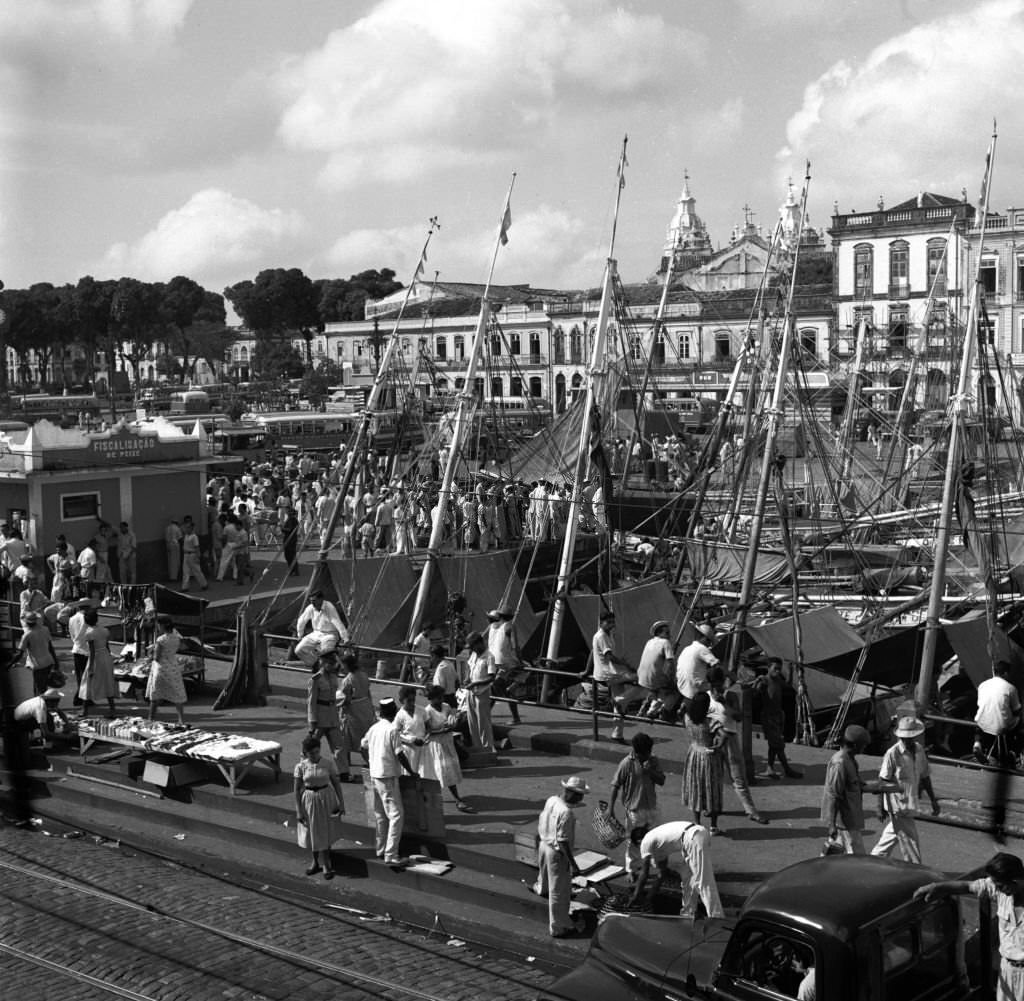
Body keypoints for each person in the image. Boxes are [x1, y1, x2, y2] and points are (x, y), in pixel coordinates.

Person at [915, 851, 1024, 1001]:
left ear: (1016, 882)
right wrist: (938, 887)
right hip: (1007, 969)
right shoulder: (1002, 891)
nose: (997, 889)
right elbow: (969, 886)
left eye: (1000, 886)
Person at [870, 715, 940, 863]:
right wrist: (879, 806)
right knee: (910, 840)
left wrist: (934, 800)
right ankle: (915, 868)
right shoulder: (892, 753)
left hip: (910, 802)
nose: (907, 740)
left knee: (892, 835)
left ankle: (873, 859)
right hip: (898, 805)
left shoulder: (919, 750)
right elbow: (883, 780)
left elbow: (925, 776)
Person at [707, 668, 768, 825]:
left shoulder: (730, 696)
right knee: (714, 777)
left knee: (738, 777)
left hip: (730, 738)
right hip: (713, 739)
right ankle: (714, 806)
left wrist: (724, 702)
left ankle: (751, 810)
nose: (717, 687)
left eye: (719, 683)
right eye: (715, 684)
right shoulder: (706, 697)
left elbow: (738, 717)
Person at [628, 820, 724, 919]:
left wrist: (636, 895)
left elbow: (644, 873)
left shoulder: (646, 841)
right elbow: (662, 874)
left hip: (693, 837)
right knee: (688, 879)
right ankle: (688, 913)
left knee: (703, 881)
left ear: (639, 841)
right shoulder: (657, 842)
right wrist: (648, 898)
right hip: (693, 837)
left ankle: (717, 918)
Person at [361, 698, 416, 866]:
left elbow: (362, 746)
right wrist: (412, 772)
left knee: (380, 815)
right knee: (396, 815)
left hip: (375, 775)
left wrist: (371, 761)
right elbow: (399, 754)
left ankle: (381, 849)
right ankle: (391, 854)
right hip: (388, 777)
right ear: (393, 713)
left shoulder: (373, 728)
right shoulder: (392, 730)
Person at [533, 775, 589, 938]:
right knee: (559, 890)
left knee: (544, 875)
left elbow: (542, 820)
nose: (580, 799)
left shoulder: (552, 800)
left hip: (544, 844)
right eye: (579, 795)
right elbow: (563, 841)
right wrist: (573, 864)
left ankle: (541, 889)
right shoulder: (567, 813)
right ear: (572, 793)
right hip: (557, 853)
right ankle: (559, 926)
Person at [606, 731, 666, 878]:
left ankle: (654, 865)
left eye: (649, 752)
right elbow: (615, 785)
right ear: (637, 752)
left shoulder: (653, 761)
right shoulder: (627, 763)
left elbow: (661, 780)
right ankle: (632, 870)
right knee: (634, 841)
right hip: (634, 810)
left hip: (652, 806)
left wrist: (650, 770)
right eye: (645, 753)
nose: (648, 755)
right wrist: (610, 808)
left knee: (656, 838)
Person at [820, 724, 882, 854]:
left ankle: (820, 872)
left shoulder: (851, 760)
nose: (864, 748)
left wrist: (877, 787)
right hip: (844, 821)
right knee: (857, 857)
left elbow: (856, 786)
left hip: (850, 818)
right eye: (863, 745)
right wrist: (831, 824)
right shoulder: (840, 763)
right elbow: (834, 795)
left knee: (834, 854)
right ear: (855, 745)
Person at [293, 734, 345, 880]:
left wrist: (341, 803)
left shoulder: (328, 764)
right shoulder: (301, 767)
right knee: (311, 831)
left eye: (317, 752)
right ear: (305, 753)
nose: (315, 755)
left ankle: (327, 863)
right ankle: (315, 862)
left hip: (326, 798)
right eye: (311, 753)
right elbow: (297, 790)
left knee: (325, 830)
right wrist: (298, 810)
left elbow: (336, 783)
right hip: (309, 800)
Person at [421, 684, 474, 813]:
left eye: (441, 697)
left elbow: (453, 717)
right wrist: (442, 729)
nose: (440, 700)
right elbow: (428, 732)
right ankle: (457, 799)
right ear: (431, 698)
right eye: (437, 698)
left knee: (448, 771)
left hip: (448, 742)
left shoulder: (446, 707)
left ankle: (451, 798)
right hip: (436, 745)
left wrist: (455, 720)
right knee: (443, 771)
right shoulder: (427, 711)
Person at [681, 691, 726, 834]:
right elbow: (724, 735)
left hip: (694, 754)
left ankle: (697, 823)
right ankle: (713, 826)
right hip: (709, 757)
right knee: (712, 790)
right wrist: (718, 745)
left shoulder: (687, 718)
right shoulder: (711, 722)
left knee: (696, 789)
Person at [754, 659, 802, 779]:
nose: (777, 671)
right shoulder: (765, 680)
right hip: (768, 717)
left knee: (774, 745)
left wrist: (790, 671)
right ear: (768, 667)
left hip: (778, 716)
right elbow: (755, 691)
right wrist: (757, 682)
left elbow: (788, 685)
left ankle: (770, 768)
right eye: (775, 668)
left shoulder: (778, 680)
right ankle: (787, 769)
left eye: (779, 669)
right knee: (778, 745)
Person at [592, 610, 633, 743]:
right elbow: (609, 657)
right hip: (608, 674)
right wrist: (625, 664)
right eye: (608, 622)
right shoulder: (602, 636)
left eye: (612, 622)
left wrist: (587, 671)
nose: (611, 624)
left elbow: (592, 652)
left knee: (619, 701)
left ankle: (618, 732)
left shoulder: (606, 635)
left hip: (606, 672)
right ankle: (620, 701)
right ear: (601, 623)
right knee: (639, 679)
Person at [974, 661, 1022, 763]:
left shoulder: (982, 685)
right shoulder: (1011, 688)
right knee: (1018, 720)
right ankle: (1013, 751)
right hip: (1000, 727)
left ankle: (977, 743)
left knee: (984, 716)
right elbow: (1017, 710)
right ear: (1005, 673)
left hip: (981, 723)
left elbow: (980, 704)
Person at [307, 655, 346, 777]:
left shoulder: (334, 676)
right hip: (320, 717)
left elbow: (342, 666)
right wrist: (312, 720)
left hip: (332, 716)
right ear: (322, 663)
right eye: (329, 663)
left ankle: (343, 772)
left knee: (339, 746)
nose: (332, 665)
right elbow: (311, 702)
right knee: (311, 745)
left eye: (333, 663)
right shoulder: (315, 679)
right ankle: (305, 768)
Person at [336, 652, 373, 781]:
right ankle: (370, 761)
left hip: (354, 710)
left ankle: (348, 764)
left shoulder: (347, 680)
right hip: (366, 706)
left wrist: (338, 705)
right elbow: (368, 693)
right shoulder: (364, 675)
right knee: (366, 736)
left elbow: (346, 699)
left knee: (345, 736)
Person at [145, 613, 187, 725]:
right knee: (177, 694)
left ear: (162, 626)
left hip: (161, 668)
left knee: (155, 695)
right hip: (173, 666)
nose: (158, 627)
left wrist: (151, 652)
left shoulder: (160, 639)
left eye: (158, 625)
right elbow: (183, 647)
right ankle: (181, 720)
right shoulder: (176, 637)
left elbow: (157, 657)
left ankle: (150, 718)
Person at [637, 619, 679, 722]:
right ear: (660, 633)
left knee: (659, 690)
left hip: (642, 678)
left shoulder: (649, 641)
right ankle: (661, 710)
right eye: (667, 633)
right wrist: (672, 679)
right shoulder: (666, 642)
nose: (669, 635)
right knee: (674, 692)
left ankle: (650, 709)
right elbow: (670, 663)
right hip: (654, 678)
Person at [487, 605, 523, 725]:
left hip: (496, 663)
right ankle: (515, 685)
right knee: (500, 689)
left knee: (495, 688)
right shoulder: (510, 626)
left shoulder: (495, 627)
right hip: (506, 664)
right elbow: (515, 647)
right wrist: (521, 661)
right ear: (511, 617)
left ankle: (486, 715)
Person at [78, 607, 117, 719]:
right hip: (106, 657)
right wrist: (110, 658)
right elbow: (107, 647)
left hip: (96, 659)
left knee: (87, 683)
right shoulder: (104, 630)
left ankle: (84, 710)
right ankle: (112, 709)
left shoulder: (89, 633)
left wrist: (90, 667)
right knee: (108, 682)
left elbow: (92, 651)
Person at [294, 590, 349, 668]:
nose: (312, 603)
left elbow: (338, 623)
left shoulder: (329, 607)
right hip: (316, 633)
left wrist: (345, 638)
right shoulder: (311, 607)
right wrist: (300, 634)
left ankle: (328, 668)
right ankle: (316, 665)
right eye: (311, 601)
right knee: (299, 650)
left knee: (326, 652)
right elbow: (301, 620)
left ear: (321, 599)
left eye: (314, 601)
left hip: (330, 634)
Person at [676, 623, 719, 717]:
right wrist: (734, 677)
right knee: (718, 694)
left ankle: (684, 706)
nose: (709, 644)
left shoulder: (687, 648)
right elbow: (717, 665)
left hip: (682, 686)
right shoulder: (702, 649)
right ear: (703, 637)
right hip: (695, 689)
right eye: (709, 641)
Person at [464, 630, 495, 753]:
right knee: (472, 722)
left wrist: (476, 683)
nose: (472, 649)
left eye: (473, 646)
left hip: (482, 692)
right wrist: (467, 678)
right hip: (471, 692)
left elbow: (491, 677)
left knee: (483, 722)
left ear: (479, 643)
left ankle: (487, 747)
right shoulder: (473, 654)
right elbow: (468, 667)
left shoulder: (489, 657)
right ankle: (477, 746)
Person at [18, 611, 59, 696]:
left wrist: (9, 665)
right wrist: (56, 661)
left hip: (38, 664)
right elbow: (50, 647)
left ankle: (42, 705)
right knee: (41, 686)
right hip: (48, 661)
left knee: (40, 688)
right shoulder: (45, 629)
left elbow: (20, 653)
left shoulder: (27, 635)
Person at [394, 685, 429, 774]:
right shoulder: (400, 715)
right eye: (408, 701)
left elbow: (428, 728)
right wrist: (412, 740)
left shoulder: (422, 710)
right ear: (401, 701)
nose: (412, 703)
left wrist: (426, 738)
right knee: (411, 774)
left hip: (423, 748)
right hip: (409, 750)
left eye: (413, 700)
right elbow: (396, 734)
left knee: (425, 774)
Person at [180, 516, 208, 592]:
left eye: (188, 527)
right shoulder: (186, 536)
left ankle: (204, 584)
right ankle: (185, 587)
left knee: (197, 570)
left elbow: (197, 547)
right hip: (186, 554)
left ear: (192, 528)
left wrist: (198, 557)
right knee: (185, 571)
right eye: (186, 527)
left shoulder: (194, 536)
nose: (186, 529)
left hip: (192, 554)